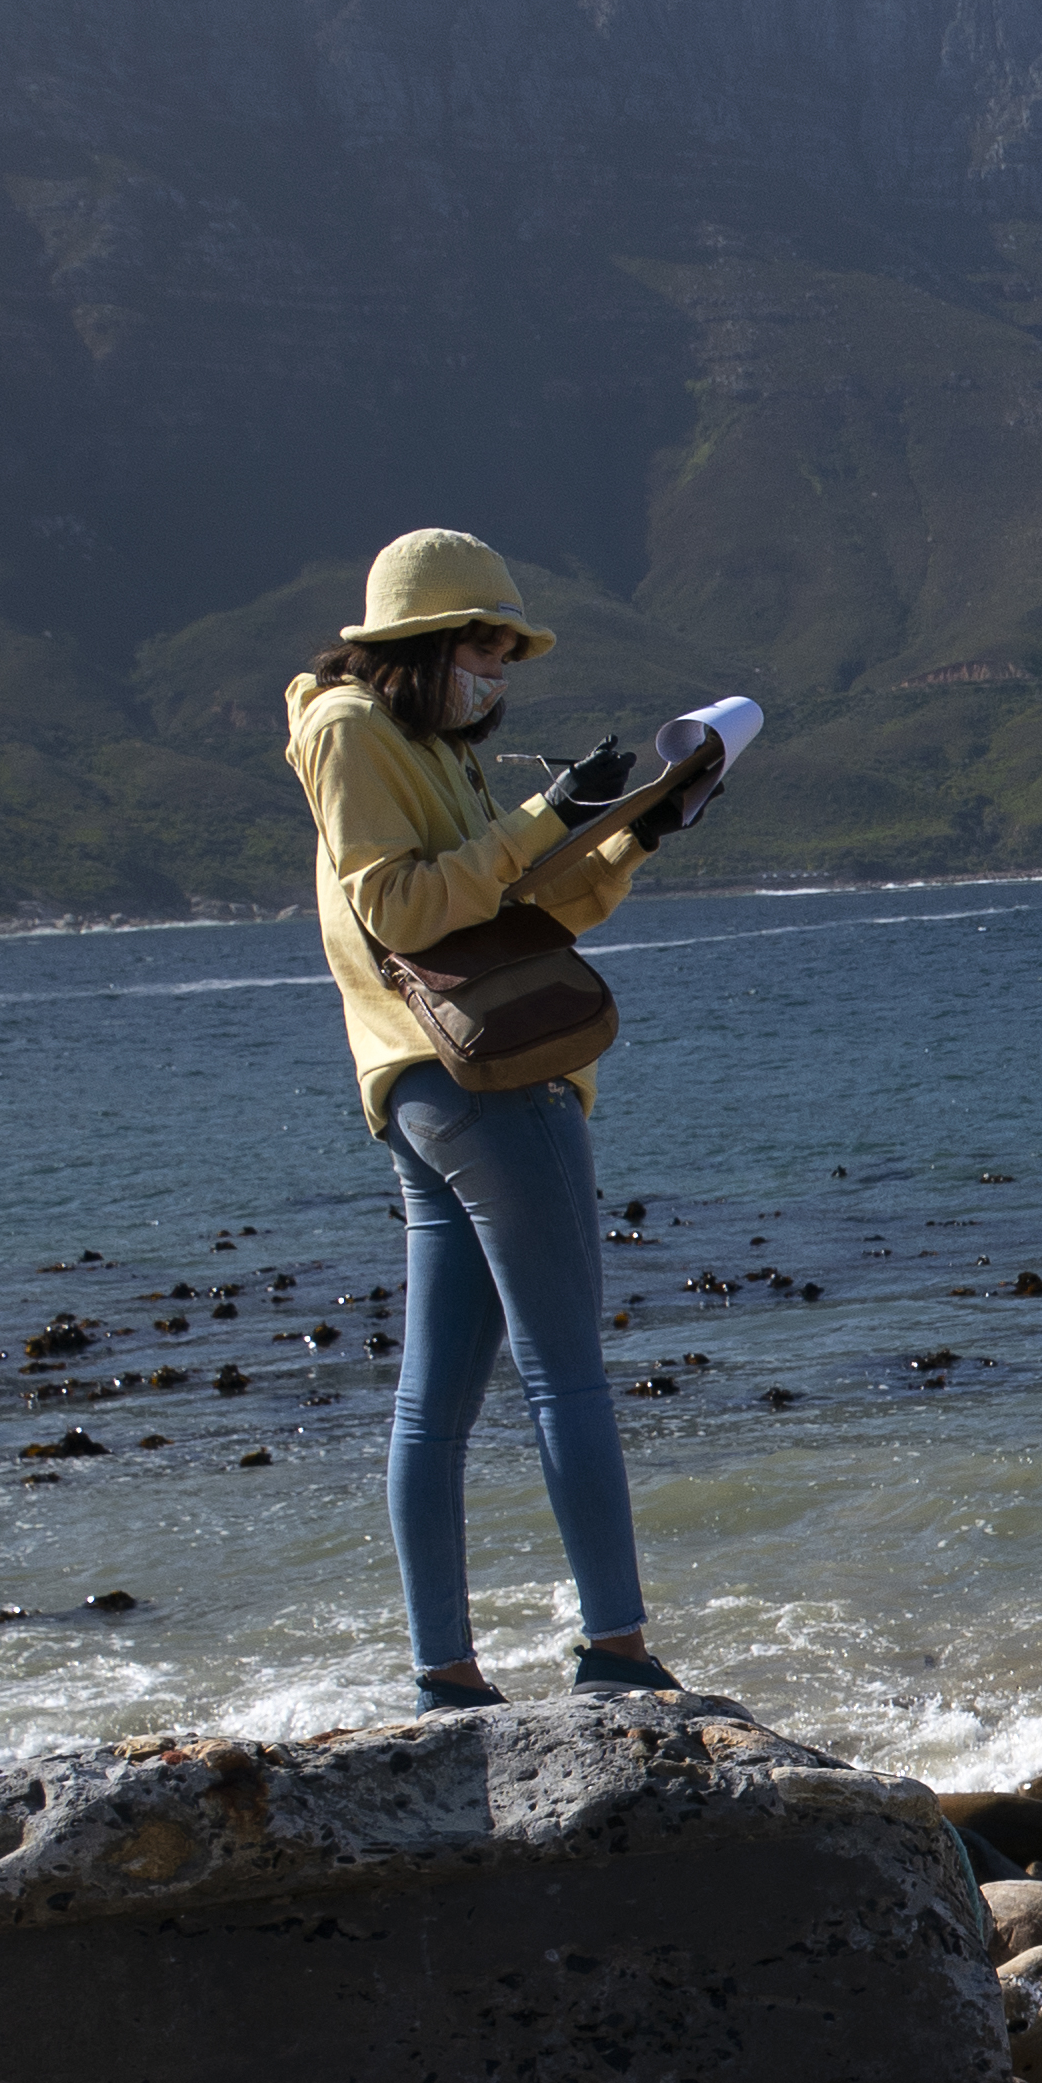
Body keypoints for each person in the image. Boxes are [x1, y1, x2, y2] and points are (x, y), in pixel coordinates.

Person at [288, 527, 700, 1711]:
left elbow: (512, 912)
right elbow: (407, 909)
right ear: (419, 641)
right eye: (485, 645)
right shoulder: (352, 731)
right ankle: (614, 1650)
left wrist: (629, 830)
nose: (501, 673)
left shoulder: (413, 741)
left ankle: (446, 1676)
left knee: (436, 1402)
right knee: (565, 1372)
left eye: (510, 652)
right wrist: (538, 812)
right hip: (484, 1080)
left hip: (422, 1089)